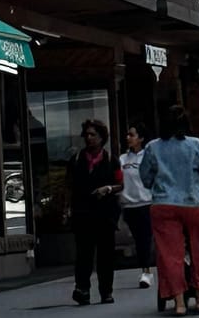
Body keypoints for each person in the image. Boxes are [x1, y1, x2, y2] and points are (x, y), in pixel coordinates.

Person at [138, 109, 199, 316]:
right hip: (192, 203)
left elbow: (145, 177)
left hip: (163, 205)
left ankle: (179, 302)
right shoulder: (197, 146)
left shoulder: (152, 147)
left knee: (170, 254)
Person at [66, 118, 122, 306]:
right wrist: (68, 209)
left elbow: (120, 184)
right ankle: (82, 289)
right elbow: (69, 186)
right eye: (87, 135)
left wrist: (107, 189)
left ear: (101, 137)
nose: (89, 138)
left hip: (105, 214)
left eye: (93, 135)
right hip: (83, 213)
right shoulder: (76, 160)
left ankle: (106, 291)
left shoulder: (110, 160)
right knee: (83, 254)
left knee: (105, 255)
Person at [118, 125, 154, 289]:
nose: (128, 137)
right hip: (129, 205)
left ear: (141, 138)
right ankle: (145, 267)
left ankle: (146, 272)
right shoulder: (122, 159)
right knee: (138, 239)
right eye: (127, 134)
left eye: (132, 135)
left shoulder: (147, 157)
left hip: (146, 203)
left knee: (145, 239)